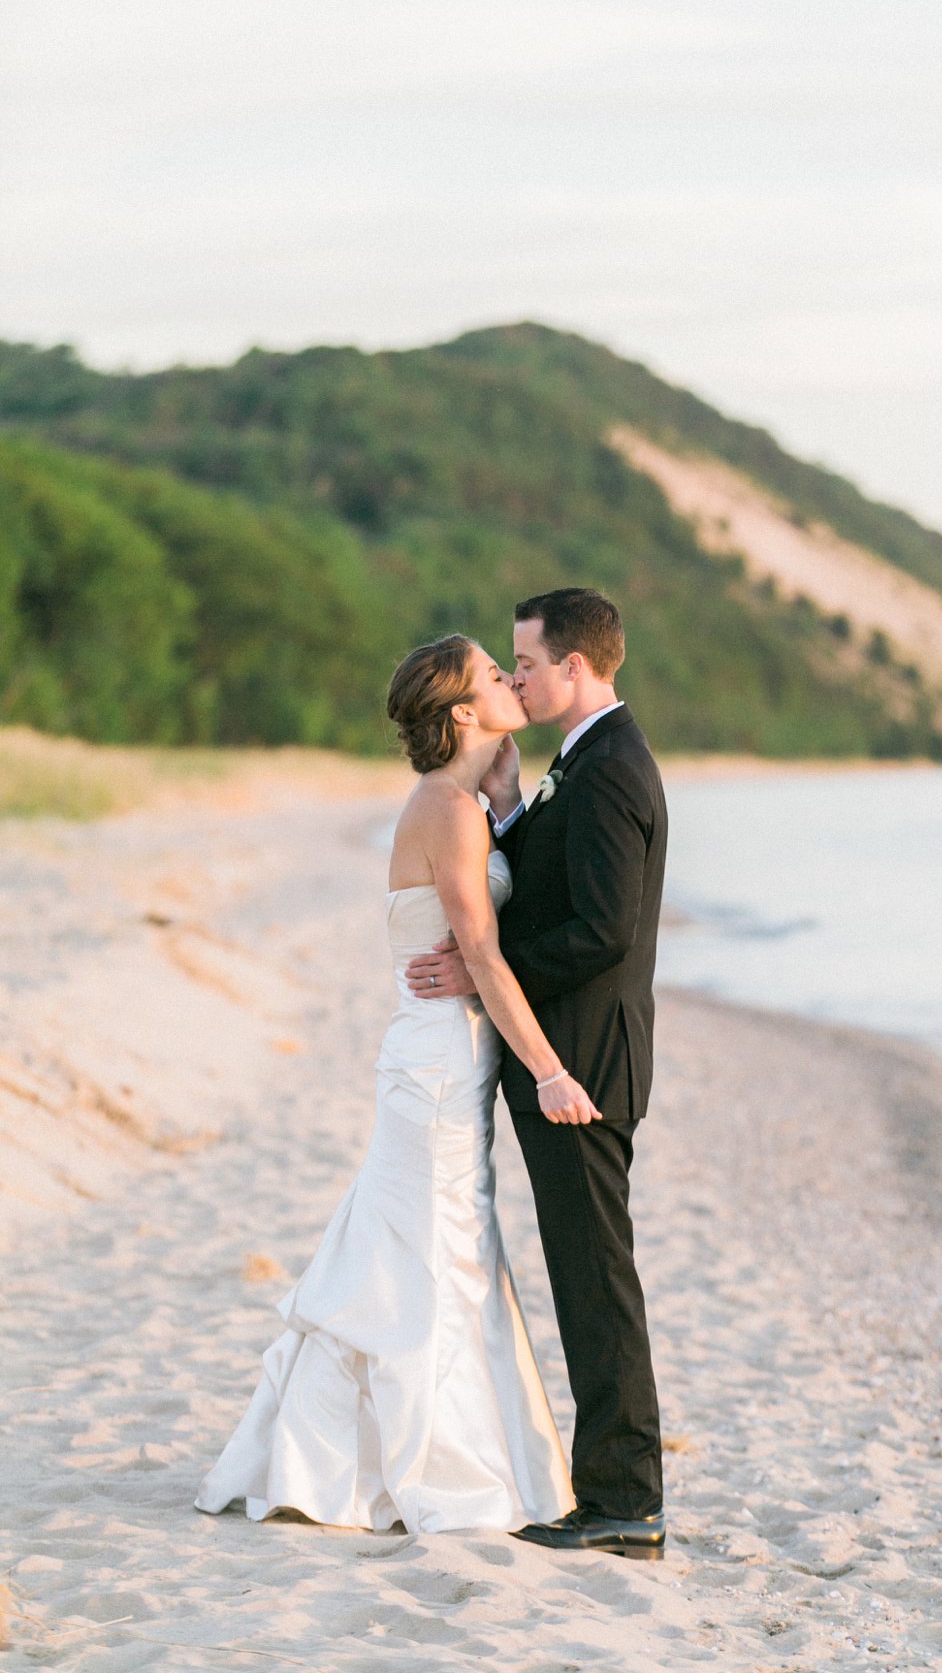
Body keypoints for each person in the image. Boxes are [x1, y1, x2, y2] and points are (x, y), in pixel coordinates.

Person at [194, 635, 597, 1535]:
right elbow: (482, 955)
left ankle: (374, 1455)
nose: (509, 679)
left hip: (442, 1056)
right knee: (436, 1253)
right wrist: (553, 1071)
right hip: (440, 1064)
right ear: (463, 712)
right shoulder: (445, 811)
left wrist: (508, 805)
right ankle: (425, 1471)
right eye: (495, 674)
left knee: (430, 1245)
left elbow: (485, 930)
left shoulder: (464, 805)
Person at [406, 588, 668, 1560]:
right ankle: (612, 1491)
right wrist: (513, 803)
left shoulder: (607, 770)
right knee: (583, 1276)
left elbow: (601, 931)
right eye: (508, 666)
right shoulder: (583, 758)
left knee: (596, 1281)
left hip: (585, 1066)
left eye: (525, 662)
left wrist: (487, 974)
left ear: (575, 667)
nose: (516, 679)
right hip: (573, 1058)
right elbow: (553, 884)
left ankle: (624, 1499)